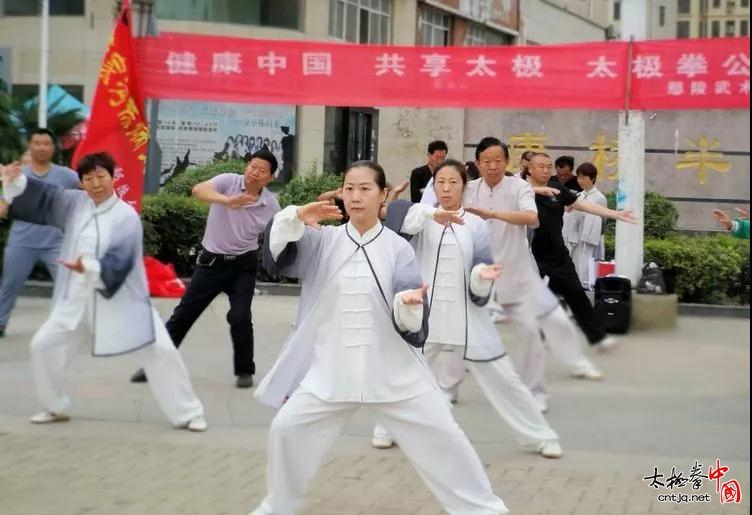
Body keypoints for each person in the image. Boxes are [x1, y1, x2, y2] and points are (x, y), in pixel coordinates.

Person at [247, 161, 509, 515]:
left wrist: (409, 305)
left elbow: (410, 309)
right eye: (349, 188)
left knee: (446, 438)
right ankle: (277, 507)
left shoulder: (398, 248)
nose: (356, 197)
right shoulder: (323, 241)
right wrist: (293, 215)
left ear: (383, 195)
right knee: (286, 429)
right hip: (332, 371)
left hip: (393, 372)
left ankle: (484, 510)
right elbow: (279, 256)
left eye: (365, 189)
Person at [0, 154, 206, 431]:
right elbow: (45, 198)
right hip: (76, 300)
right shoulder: (74, 203)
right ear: (82, 182)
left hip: (120, 300)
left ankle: (189, 412)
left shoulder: (126, 216)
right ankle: (54, 405)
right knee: (42, 346)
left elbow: (121, 260)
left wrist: (88, 266)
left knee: (160, 349)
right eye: (88, 178)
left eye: (101, 176)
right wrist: (17, 181)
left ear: (113, 176)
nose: (95, 184)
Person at [373, 159, 563, 458]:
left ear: (464, 186)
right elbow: (400, 219)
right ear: (433, 186)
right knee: (405, 372)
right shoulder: (421, 218)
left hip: (469, 319)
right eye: (440, 182)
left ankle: (540, 436)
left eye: (453, 182)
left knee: (505, 379)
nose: (446, 188)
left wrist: (481, 277)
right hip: (428, 317)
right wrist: (433, 213)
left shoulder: (475, 225)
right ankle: (387, 428)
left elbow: (481, 265)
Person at [130, 150, 280, 388]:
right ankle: (154, 365)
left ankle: (244, 371)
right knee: (183, 316)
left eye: (262, 171)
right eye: (252, 166)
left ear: (271, 177)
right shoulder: (228, 182)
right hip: (212, 263)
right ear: (246, 166)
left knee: (241, 317)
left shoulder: (269, 204)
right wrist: (227, 201)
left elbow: (279, 231)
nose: (254, 173)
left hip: (243, 265)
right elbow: (198, 190)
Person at [526, 153, 637, 350]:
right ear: (530, 169)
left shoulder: (557, 189)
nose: (545, 170)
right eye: (540, 166)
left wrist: (615, 214)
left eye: (548, 166)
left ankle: (598, 338)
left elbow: (582, 205)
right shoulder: (520, 189)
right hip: (529, 253)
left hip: (556, 252)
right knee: (531, 297)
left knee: (576, 293)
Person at [0, 128, 80, 338]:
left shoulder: (67, 175)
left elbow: (89, 190)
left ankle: (62, 328)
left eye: (46, 143)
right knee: (9, 286)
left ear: (53, 147)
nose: (42, 147)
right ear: (30, 145)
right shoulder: (19, 175)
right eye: (37, 143)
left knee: (67, 286)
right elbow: (4, 204)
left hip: (56, 243)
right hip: (22, 242)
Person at [566, 163, 608, 289]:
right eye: (578, 178)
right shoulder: (579, 195)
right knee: (577, 263)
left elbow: (603, 221)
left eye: (584, 178)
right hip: (577, 236)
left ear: (593, 178)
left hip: (591, 238)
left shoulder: (600, 198)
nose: (580, 181)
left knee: (588, 264)